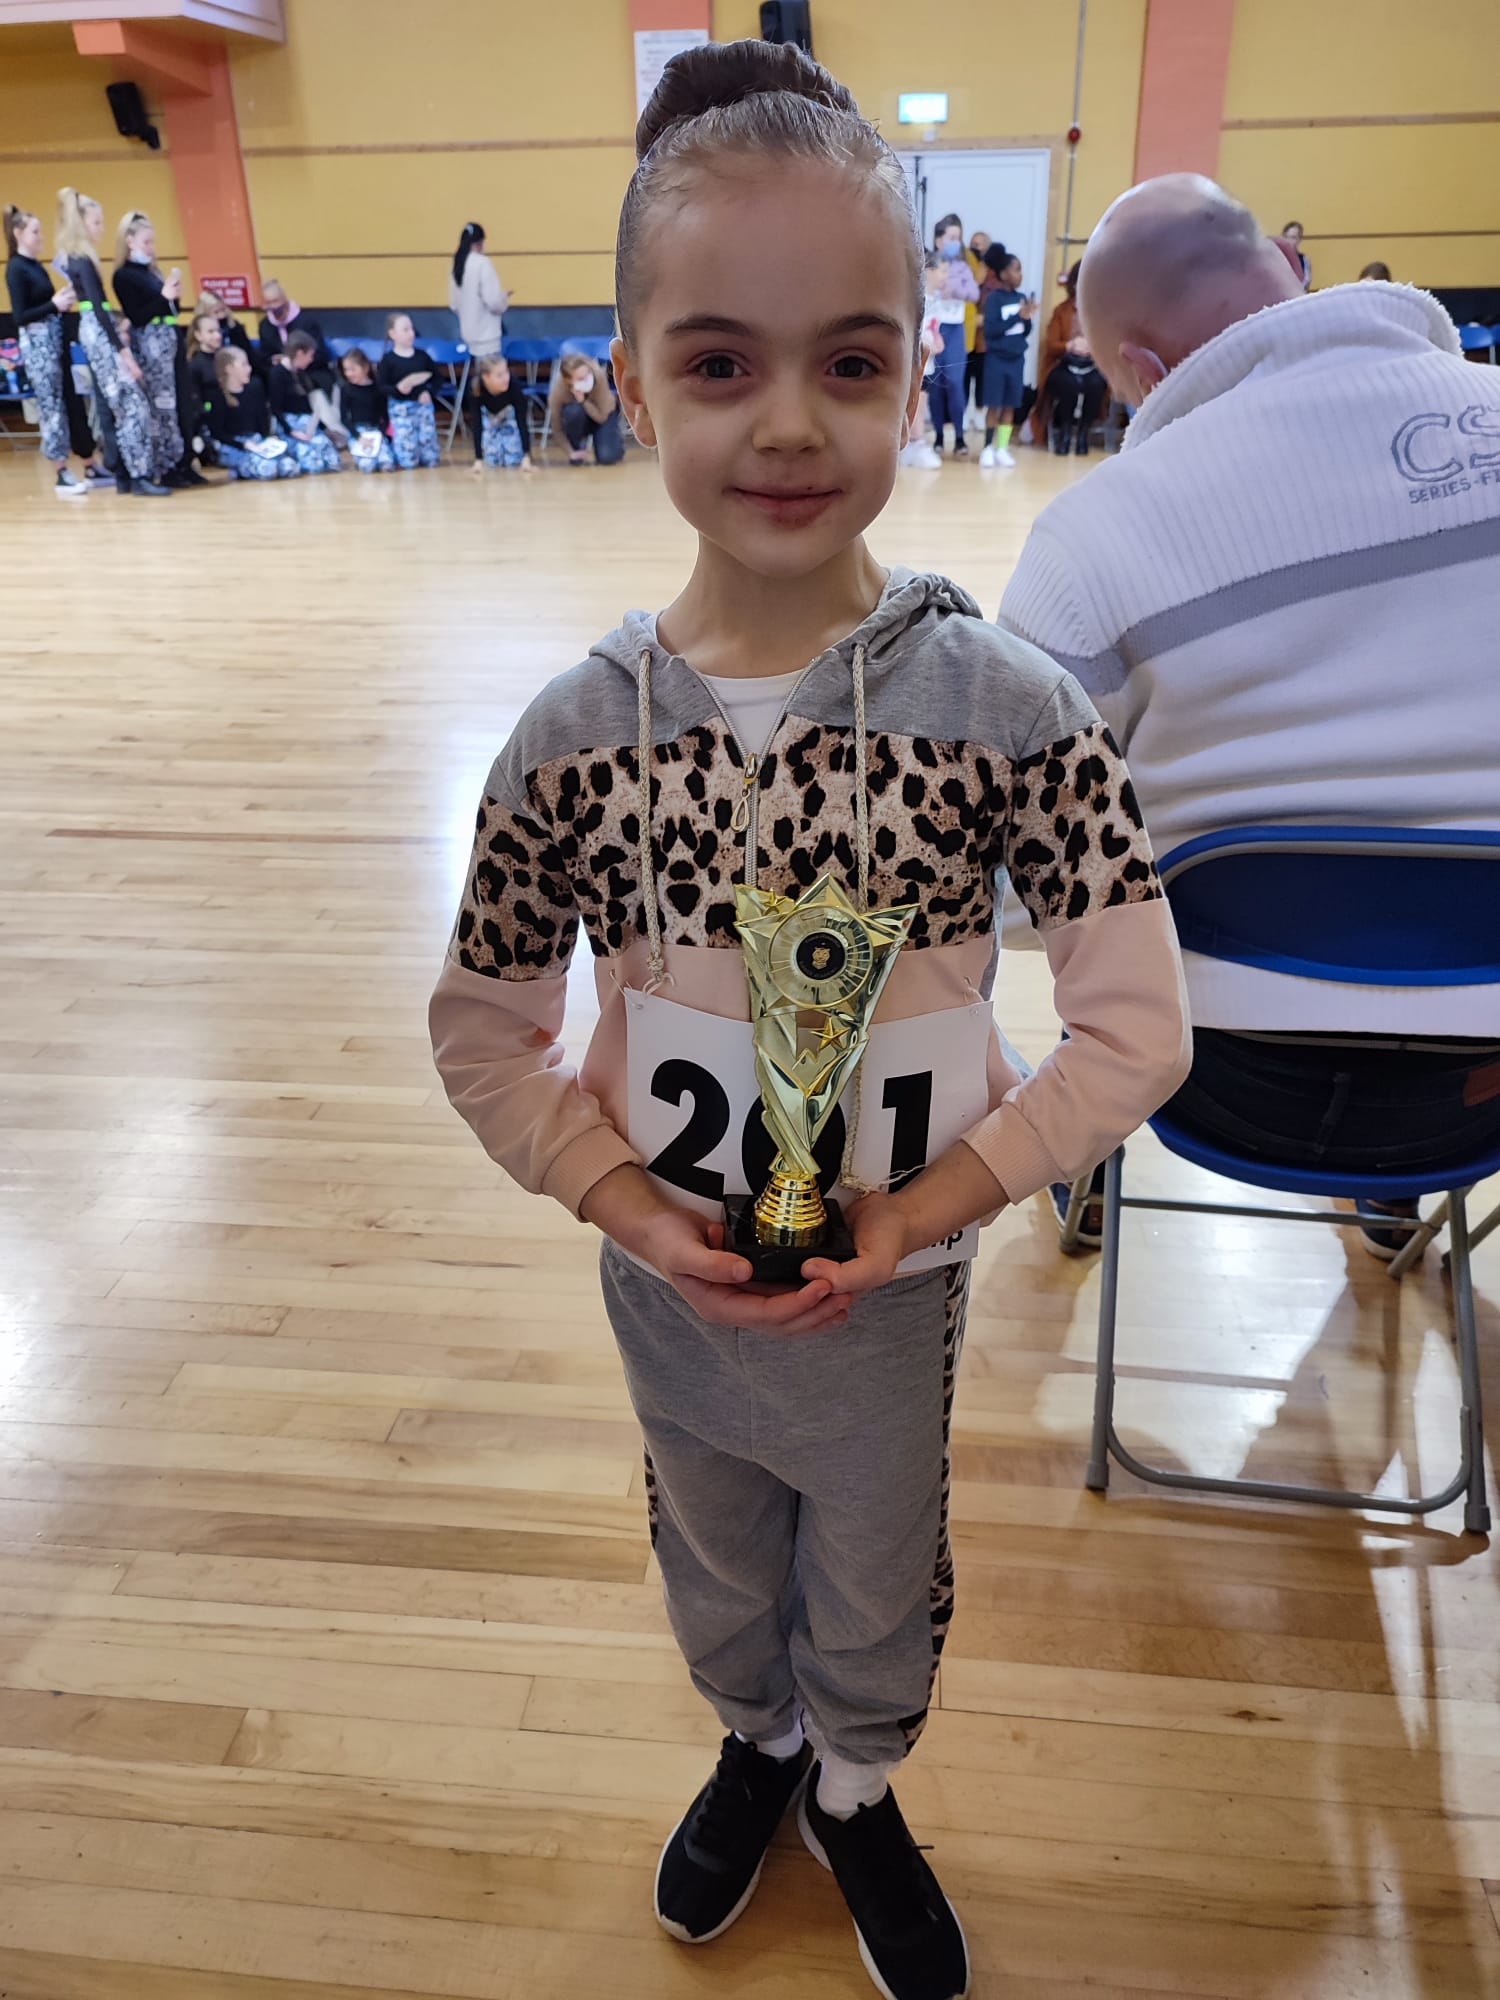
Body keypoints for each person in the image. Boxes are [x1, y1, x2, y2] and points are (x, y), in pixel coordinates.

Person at [429, 41, 1189, 2000]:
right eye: (718, 363)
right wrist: (621, 1198)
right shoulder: (569, 741)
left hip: (890, 1295)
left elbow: (1137, 1027)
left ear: (918, 371)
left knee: (872, 1555)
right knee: (709, 1539)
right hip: (666, 1287)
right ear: (628, 381)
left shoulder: (1015, 714)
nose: (788, 423)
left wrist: (931, 1206)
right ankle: (756, 1740)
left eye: (849, 361)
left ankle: (854, 1779)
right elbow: (484, 1023)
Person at [1000, 173, 1500, 1253]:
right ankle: (1396, 1199)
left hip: (1213, 1073)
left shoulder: (1089, 540)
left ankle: (1085, 1154)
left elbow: (1020, 887)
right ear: (1292, 268)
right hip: (1485, 1097)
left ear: (1141, 370)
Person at [55, 187, 167, 497]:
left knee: (120, 405)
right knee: (132, 406)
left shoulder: (78, 258)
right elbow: (99, 309)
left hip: (94, 330)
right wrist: (124, 353)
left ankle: (125, 476)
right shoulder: (82, 259)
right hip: (99, 333)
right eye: (97, 222)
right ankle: (138, 474)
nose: (102, 229)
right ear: (82, 223)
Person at [4, 202, 94, 498]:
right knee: (51, 407)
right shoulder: (16, 268)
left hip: (54, 342)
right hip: (38, 348)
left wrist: (61, 302)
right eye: (35, 231)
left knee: (66, 402)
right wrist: (53, 305)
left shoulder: (36, 265)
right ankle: (60, 471)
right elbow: (21, 316)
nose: (41, 236)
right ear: (18, 234)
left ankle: (85, 462)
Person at [111, 209, 192, 488]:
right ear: (130, 241)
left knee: (175, 402)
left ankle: (178, 461)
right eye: (146, 242)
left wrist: (173, 297)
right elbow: (137, 315)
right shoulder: (123, 276)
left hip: (168, 337)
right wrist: (163, 298)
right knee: (160, 404)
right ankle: (162, 463)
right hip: (150, 343)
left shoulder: (151, 271)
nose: (151, 248)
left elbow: (168, 308)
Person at [1033, 260, 1106, 456]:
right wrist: (1070, 345)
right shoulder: (1062, 311)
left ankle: (1083, 434)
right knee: (1068, 384)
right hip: (1064, 363)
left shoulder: (1100, 312)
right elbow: (1051, 344)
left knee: (1097, 384)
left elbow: (1108, 343)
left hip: (1091, 364)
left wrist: (1092, 347)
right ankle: (1064, 433)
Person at [925, 212, 977, 456]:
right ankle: (937, 435)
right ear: (939, 241)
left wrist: (954, 289)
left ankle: (959, 436)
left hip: (955, 330)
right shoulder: (929, 265)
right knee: (936, 384)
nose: (956, 242)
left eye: (959, 237)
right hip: (934, 327)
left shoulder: (962, 267)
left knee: (955, 382)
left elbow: (974, 294)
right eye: (951, 237)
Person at [207, 345, 299, 480]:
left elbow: (262, 421)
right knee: (268, 469)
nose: (249, 369)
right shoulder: (218, 397)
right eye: (243, 365)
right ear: (229, 369)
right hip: (234, 446)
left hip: (255, 440)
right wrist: (243, 444)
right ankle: (240, 468)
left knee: (289, 466)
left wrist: (268, 437)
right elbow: (217, 433)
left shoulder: (255, 389)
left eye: (248, 364)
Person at [978, 243, 1033, 467]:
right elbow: (991, 330)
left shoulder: (1021, 297)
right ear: (1003, 274)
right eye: (1016, 269)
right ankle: (987, 447)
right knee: (994, 404)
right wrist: (1018, 317)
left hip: (1016, 360)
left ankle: (1002, 447)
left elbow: (1025, 331)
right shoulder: (994, 299)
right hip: (996, 360)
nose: (1020, 274)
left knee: (1010, 405)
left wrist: (1027, 319)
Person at [268, 329, 343, 472]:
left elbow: (308, 409)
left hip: (306, 425)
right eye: (310, 355)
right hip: (289, 427)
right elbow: (276, 409)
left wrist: (325, 429)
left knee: (332, 461)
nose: (311, 359)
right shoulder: (277, 373)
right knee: (314, 464)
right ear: (299, 353)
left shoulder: (301, 373)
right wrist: (291, 431)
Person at [377, 313, 442, 468]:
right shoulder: (388, 360)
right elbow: (381, 387)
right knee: (408, 461)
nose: (411, 333)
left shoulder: (422, 356)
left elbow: (437, 378)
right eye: (405, 330)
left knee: (431, 459)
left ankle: (428, 455)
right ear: (393, 334)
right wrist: (397, 389)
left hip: (423, 407)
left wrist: (429, 393)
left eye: (412, 329)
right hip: (401, 409)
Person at [546, 349, 623, 463]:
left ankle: (614, 441)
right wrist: (570, 452)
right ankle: (577, 447)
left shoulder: (598, 376)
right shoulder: (558, 392)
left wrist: (583, 402)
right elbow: (557, 428)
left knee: (608, 457)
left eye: (588, 374)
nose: (587, 380)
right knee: (572, 412)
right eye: (581, 378)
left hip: (603, 415)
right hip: (578, 419)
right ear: (568, 381)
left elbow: (602, 417)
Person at [448, 221, 509, 360]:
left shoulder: (457, 264)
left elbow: (453, 304)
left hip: (468, 333)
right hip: (486, 335)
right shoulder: (483, 263)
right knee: (490, 370)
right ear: (479, 243)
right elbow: (492, 301)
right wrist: (503, 299)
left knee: (475, 370)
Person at [469, 351, 533, 476]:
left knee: (512, 461)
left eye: (506, 372)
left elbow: (522, 421)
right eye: (499, 375)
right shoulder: (475, 388)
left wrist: (526, 457)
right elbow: (476, 424)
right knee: (492, 461)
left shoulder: (514, 386)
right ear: (486, 377)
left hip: (510, 419)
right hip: (489, 420)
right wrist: (478, 459)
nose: (506, 378)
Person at [334, 346, 395, 472]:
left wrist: (381, 433)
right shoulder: (346, 389)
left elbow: (385, 415)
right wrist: (358, 436)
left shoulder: (377, 388)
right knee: (367, 466)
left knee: (387, 462)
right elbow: (344, 418)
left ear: (365, 367)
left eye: (353, 369)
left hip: (375, 431)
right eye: (346, 370)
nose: (348, 374)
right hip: (358, 432)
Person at [257, 279, 334, 376]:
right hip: (281, 374)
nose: (273, 307)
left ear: (284, 300)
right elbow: (264, 358)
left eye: (275, 301)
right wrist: (274, 360)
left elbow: (320, 356)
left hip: (310, 371)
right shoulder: (265, 326)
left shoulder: (307, 322)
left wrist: (294, 361)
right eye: (268, 303)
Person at [963, 229, 991, 421]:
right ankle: (964, 412)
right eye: (974, 243)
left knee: (982, 376)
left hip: (984, 335)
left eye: (980, 243)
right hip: (966, 329)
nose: (976, 247)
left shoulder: (993, 273)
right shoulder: (964, 269)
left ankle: (980, 411)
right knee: (964, 374)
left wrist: (986, 318)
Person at [1282, 219, 1311, 289]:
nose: (1289, 241)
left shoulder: (1304, 260)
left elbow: (1306, 282)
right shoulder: (1277, 258)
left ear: (1299, 239)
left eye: (1293, 238)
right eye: (1286, 237)